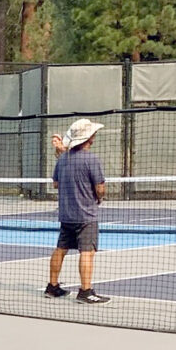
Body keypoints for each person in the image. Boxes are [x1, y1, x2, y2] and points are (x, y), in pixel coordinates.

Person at [46, 118, 110, 304]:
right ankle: (85, 291)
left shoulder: (62, 159)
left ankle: (52, 286)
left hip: (66, 214)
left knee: (61, 249)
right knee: (87, 252)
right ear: (89, 137)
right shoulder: (92, 159)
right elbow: (100, 187)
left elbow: (56, 184)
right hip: (86, 215)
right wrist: (99, 198)